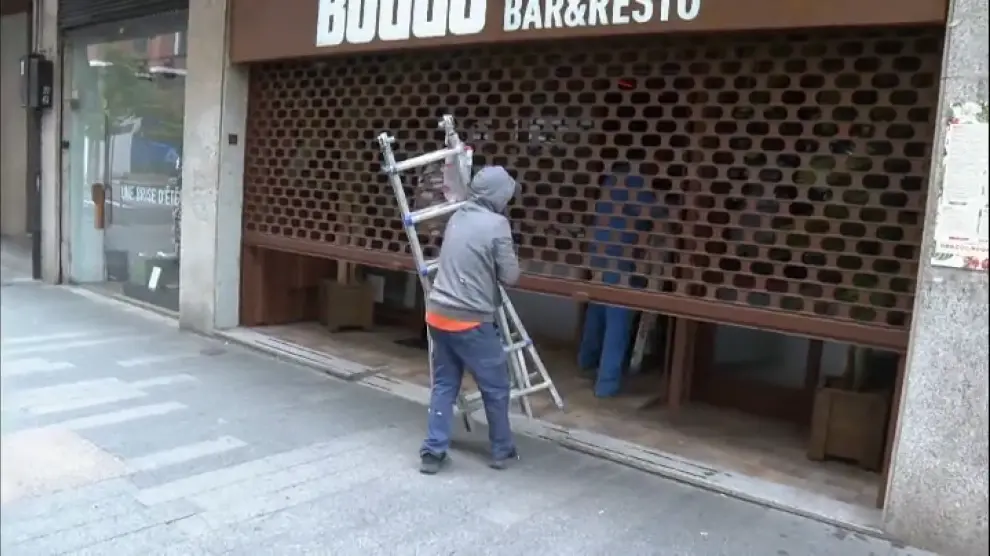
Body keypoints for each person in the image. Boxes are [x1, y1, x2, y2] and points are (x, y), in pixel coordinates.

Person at [419, 165, 521, 474]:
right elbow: (510, 276)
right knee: (495, 386)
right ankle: (502, 449)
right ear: (498, 196)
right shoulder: (497, 225)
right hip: (471, 319)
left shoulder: (457, 216)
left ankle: (433, 452)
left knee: (444, 384)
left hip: (438, 314)